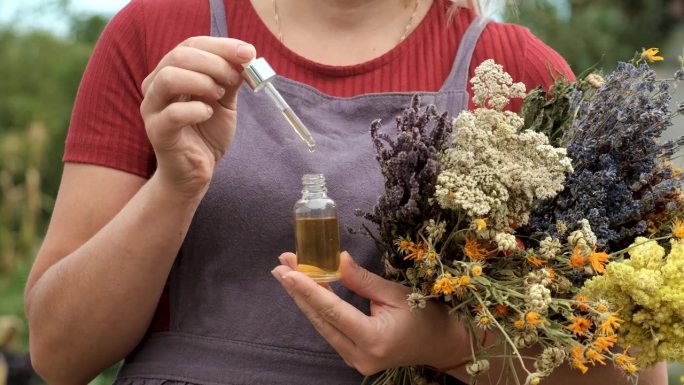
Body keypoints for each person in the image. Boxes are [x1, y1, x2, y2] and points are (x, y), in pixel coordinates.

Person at [23, 0, 668, 384]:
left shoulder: (518, 73)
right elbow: (59, 353)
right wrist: (175, 185)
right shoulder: (160, 34)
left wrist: (445, 345)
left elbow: (626, 368)